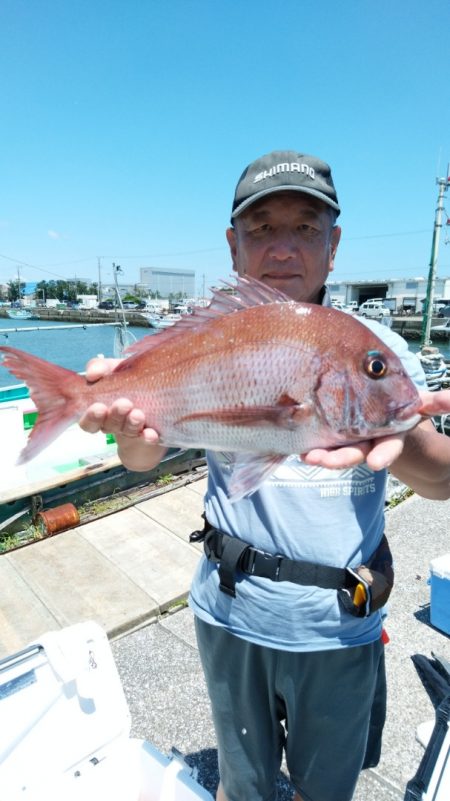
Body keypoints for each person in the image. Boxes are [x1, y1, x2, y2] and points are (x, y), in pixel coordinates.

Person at [79, 150, 450, 801]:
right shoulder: (206, 335)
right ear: (233, 245)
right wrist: (130, 433)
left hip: (339, 624)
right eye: (262, 228)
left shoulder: (372, 347)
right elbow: (141, 459)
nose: (283, 247)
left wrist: (399, 431)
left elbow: (441, 480)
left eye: (305, 227)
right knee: (242, 783)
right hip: (229, 610)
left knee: (324, 788)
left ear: (333, 246)